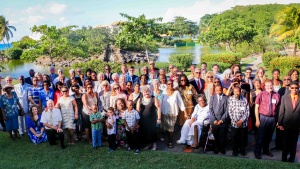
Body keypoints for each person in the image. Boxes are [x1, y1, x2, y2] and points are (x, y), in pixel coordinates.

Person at [254, 79, 280, 159]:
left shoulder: (277, 95)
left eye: (271, 85)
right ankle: (257, 151)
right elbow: (256, 107)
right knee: (261, 136)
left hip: (272, 118)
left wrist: (278, 120)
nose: (269, 87)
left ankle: (266, 150)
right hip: (263, 118)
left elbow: (278, 108)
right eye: (267, 85)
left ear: (273, 85)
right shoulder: (261, 94)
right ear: (264, 87)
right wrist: (257, 120)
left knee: (269, 136)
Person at [278, 81, 300, 163]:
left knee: (293, 143)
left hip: (296, 125)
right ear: (290, 88)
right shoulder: (284, 97)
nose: (295, 89)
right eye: (293, 88)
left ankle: (292, 159)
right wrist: (280, 123)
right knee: (285, 143)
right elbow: (281, 111)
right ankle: (283, 159)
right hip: (286, 124)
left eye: (296, 88)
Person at [161, 80, 186, 148]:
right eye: (169, 84)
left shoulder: (176, 92)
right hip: (165, 112)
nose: (170, 85)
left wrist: (185, 112)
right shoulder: (163, 92)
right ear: (166, 85)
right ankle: (168, 138)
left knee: (171, 128)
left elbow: (180, 102)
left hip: (173, 113)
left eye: (171, 84)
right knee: (166, 127)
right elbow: (160, 102)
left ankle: (170, 140)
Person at [228, 87, 250, 156]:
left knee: (242, 138)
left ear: (240, 92)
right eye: (235, 92)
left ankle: (242, 150)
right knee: (234, 138)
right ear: (233, 92)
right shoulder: (230, 99)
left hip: (243, 123)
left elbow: (247, 112)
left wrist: (241, 121)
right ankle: (235, 150)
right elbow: (230, 111)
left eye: (238, 92)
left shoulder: (244, 99)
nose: (236, 93)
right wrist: (236, 121)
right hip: (234, 123)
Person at [209, 85, 228, 154]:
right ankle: (216, 148)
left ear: (222, 90)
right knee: (215, 135)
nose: (218, 91)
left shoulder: (226, 98)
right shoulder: (212, 98)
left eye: (220, 90)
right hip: (214, 121)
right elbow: (210, 109)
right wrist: (214, 120)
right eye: (217, 90)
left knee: (222, 136)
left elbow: (227, 110)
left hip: (223, 120)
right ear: (215, 90)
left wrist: (221, 120)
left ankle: (222, 148)